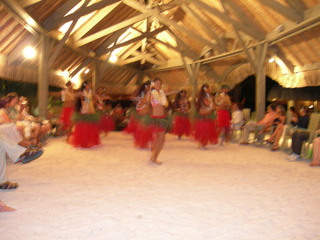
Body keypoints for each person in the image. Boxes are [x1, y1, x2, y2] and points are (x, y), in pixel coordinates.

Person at [68, 81, 101, 148]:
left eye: (90, 84)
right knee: (83, 126)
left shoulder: (91, 92)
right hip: (83, 110)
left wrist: (99, 102)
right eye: (89, 84)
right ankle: (83, 141)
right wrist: (78, 96)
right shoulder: (81, 92)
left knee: (90, 126)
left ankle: (89, 140)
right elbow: (75, 96)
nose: (90, 85)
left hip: (91, 110)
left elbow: (97, 97)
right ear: (85, 85)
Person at [149, 78, 169, 164]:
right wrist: (163, 93)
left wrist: (164, 93)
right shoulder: (153, 94)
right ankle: (154, 158)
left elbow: (166, 103)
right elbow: (162, 102)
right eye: (157, 84)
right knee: (160, 140)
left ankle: (153, 157)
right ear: (153, 84)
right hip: (157, 119)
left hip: (162, 118)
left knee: (160, 140)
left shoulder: (160, 93)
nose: (159, 85)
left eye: (160, 84)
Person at [193, 84, 218, 148]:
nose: (210, 90)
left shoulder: (209, 96)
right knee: (203, 130)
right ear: (205, 89)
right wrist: (212, 105)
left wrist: (214, 105)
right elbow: (206, 103)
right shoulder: (203, 96)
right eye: (209, 88)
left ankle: (203, 143)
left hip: (208, 113)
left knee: (207, 130)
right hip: (203, 113)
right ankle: (202, 143)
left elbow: (213, 105)